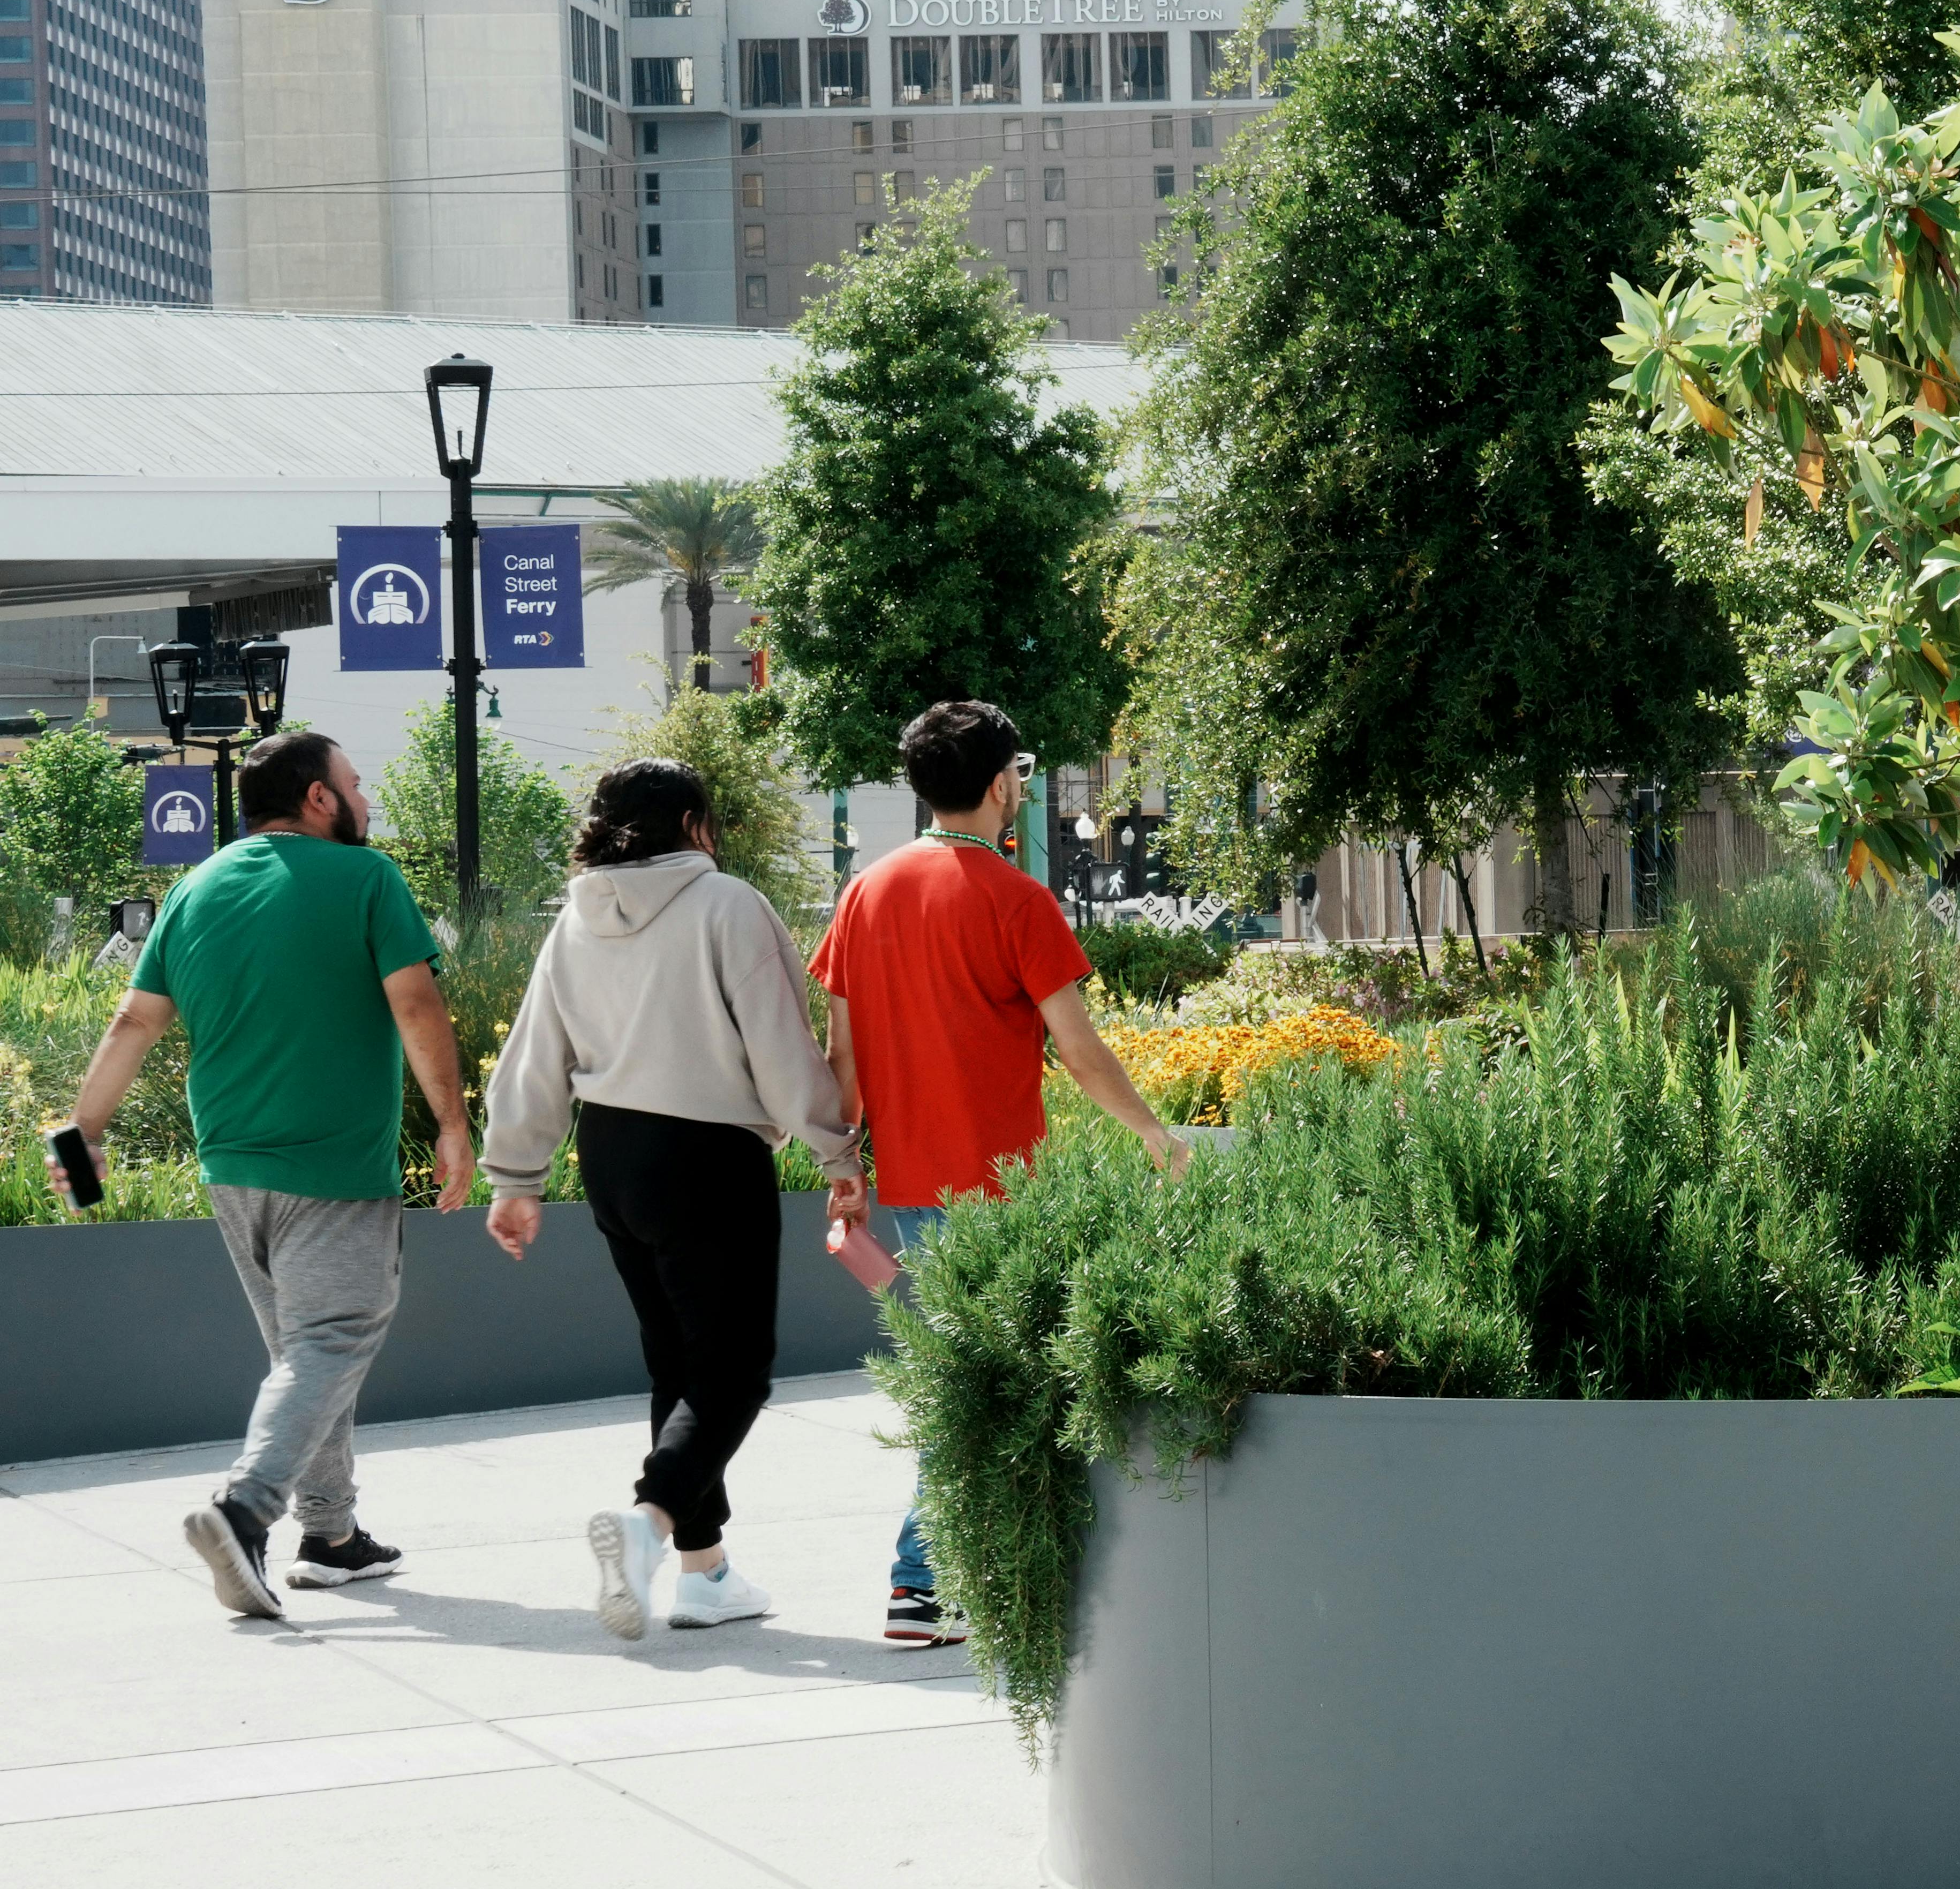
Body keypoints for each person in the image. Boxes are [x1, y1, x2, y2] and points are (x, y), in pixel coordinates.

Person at [48, 731, 504, 1620]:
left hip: (231, 1165)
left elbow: (134, 1022)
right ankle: (242, 1510)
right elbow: (416, 1002)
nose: (367, 800)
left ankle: (330, 1535)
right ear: (320, 800)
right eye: (357, 783)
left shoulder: (198, 885)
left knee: (305, 1357)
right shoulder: (368, 880)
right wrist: (453, 1125)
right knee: (334, 1340)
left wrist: (82, 1136)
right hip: (332, 1162)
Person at [810, 701, 1186, 1646]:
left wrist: (843, 1166)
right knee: (983, 1378)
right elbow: (1079, 1049)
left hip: (908, 1184)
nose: (1020, 785)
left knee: (976, 1369)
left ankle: (958, 1582)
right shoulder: (1018, 899)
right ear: (998, 786)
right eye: (1017, 771)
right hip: (1002, 1186)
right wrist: (1151, 1130)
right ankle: (922, 1586)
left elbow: (841, 1061)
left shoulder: (867, 890)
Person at [483, 759, 868, 1643]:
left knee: (679, 1367)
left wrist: (517, 1178)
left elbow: (536, 1052)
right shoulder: (728, 904)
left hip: (612, 1155)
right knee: (735, 1370)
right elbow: (780, 1045)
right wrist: (837, 1151)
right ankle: (649, 1523)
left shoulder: (574, 919)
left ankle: (705, 1575)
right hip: (707, 1155)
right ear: (694, 822)